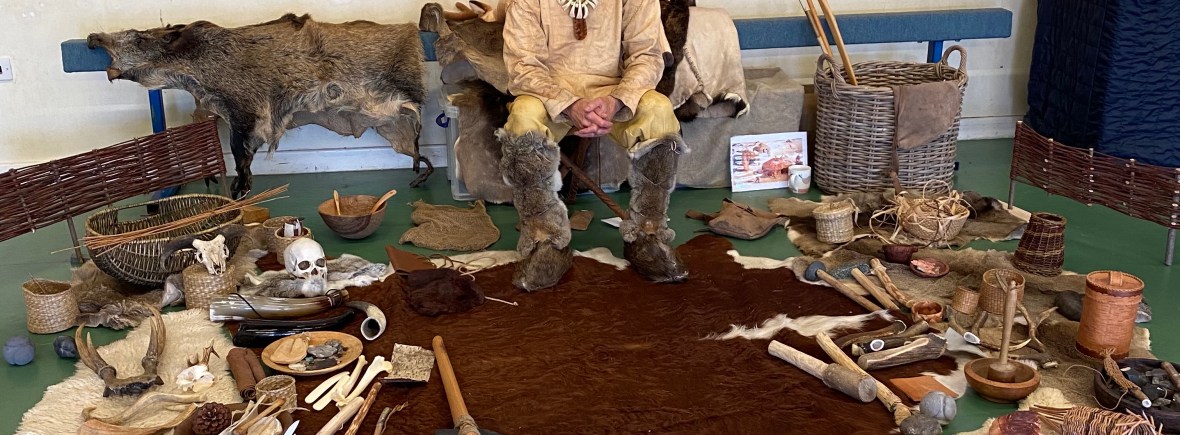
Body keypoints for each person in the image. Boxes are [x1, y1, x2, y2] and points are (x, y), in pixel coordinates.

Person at [498, 0, 688, 291]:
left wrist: (616, 101)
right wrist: (569, 104)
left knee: (659, 112)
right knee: (523, 119)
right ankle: (545, 240)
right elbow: (522, 65)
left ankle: (647, 234)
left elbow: (647, 55)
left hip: (615, 92)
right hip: (548, 94)